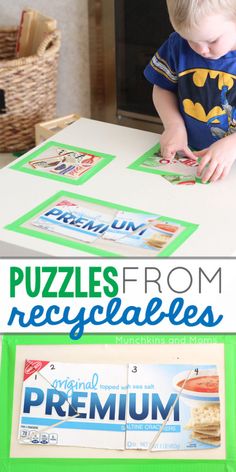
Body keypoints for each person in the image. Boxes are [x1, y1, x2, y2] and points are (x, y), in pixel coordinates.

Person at [144, 0, 236, 182]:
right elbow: (163, 88)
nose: (201, 49)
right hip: (194, 159)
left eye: (212, 40)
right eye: (190, 40)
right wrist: (174, 126)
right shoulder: (177, 45)